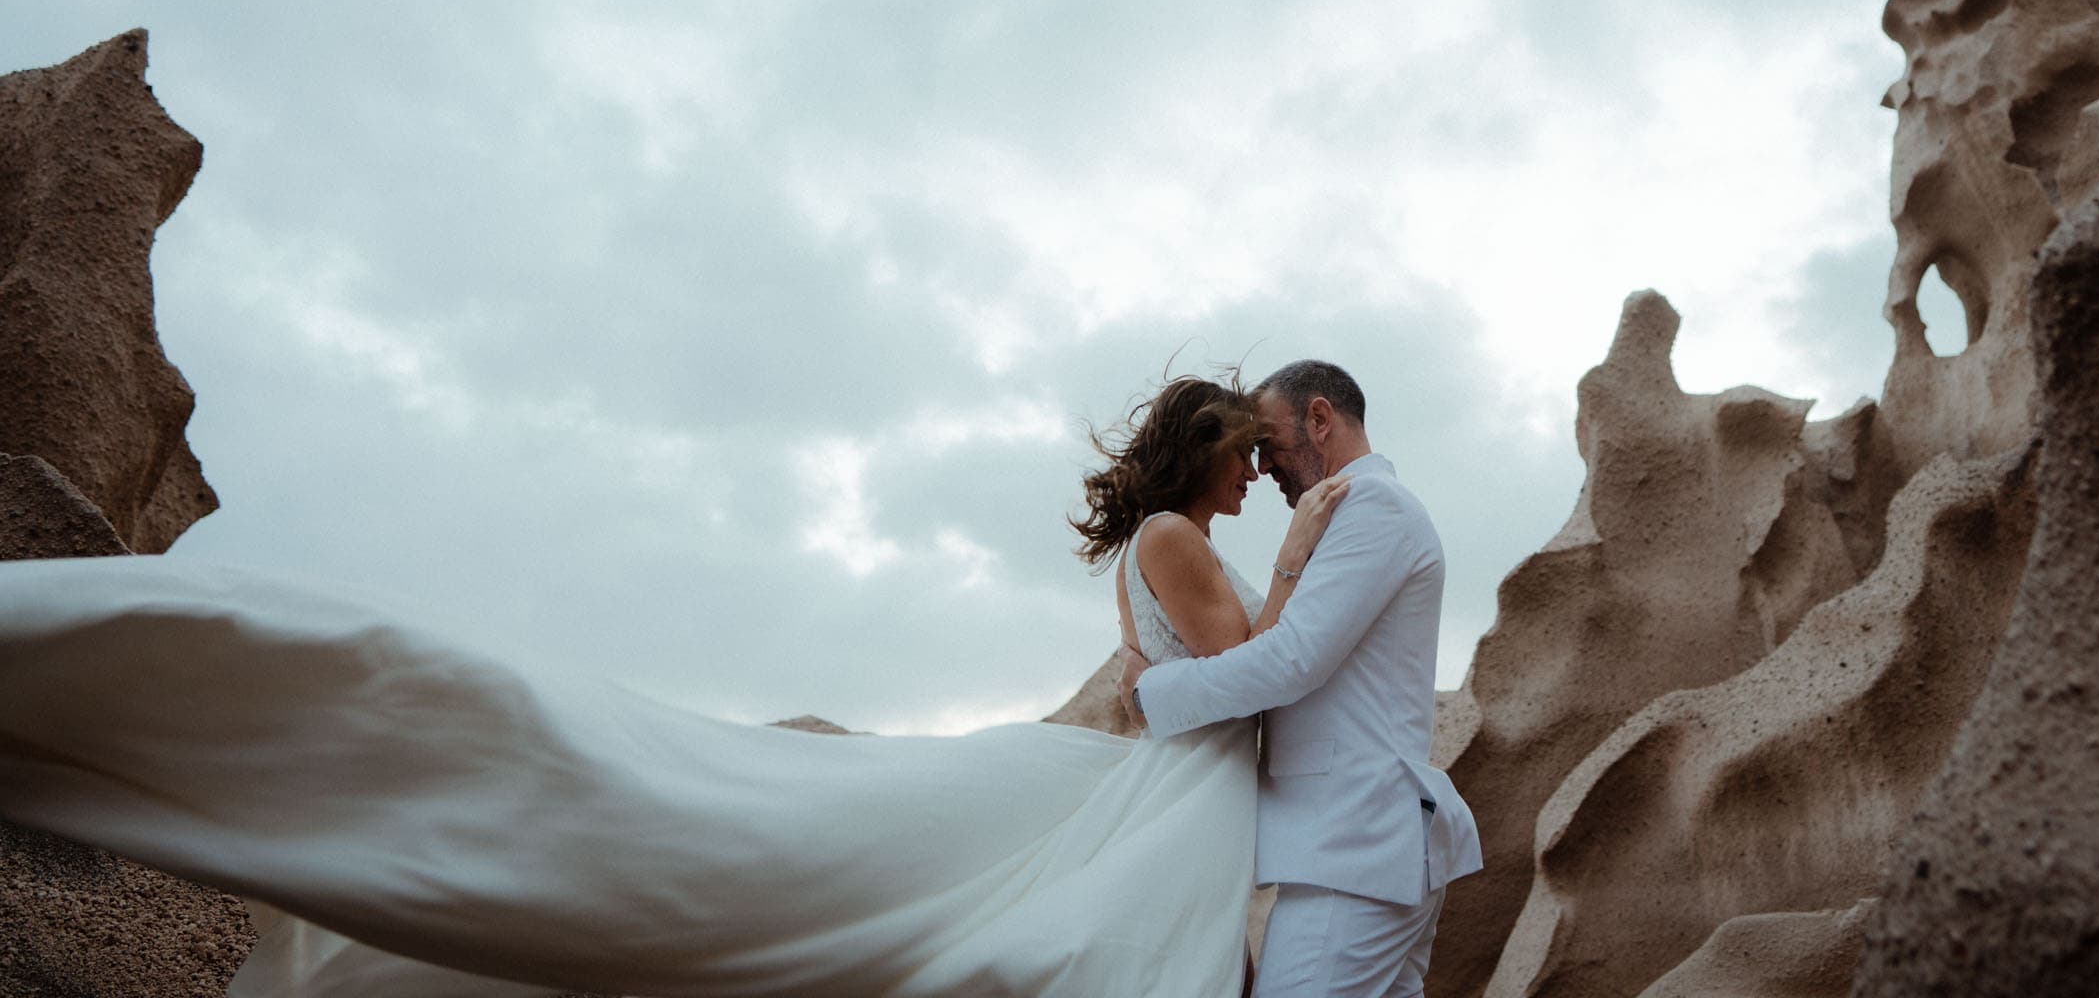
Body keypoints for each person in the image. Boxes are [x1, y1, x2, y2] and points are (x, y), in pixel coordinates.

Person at [0, 371, 1351, 996]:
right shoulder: (1179, 542)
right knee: (755, 835)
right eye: (1248, 456)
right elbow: (1241, 676)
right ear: (1205, 455)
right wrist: (1309, 572)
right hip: (1152, 796)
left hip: (1165, 797)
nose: (1260, 476)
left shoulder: (1185, 543)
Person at [1119, 361, 1482, 998]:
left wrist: (1153, 692)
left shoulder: (1372, 504)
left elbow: (1289, 660)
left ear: (1319, 421)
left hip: (1354, 852)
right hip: (1359, 849)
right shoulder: (1357, 513)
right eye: (1250, 451)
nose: (1263, 468)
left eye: (1268, 444)